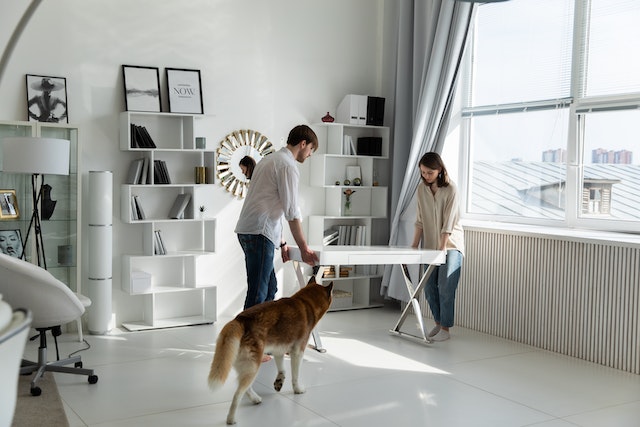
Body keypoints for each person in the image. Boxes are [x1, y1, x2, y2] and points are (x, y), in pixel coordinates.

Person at [235, 125, 320, 311]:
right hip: (259, 233)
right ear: (303, 143)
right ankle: (245, 339)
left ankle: (262, 336)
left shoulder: (269, 160)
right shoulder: (287, 166)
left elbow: (269, 203)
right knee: (258, 293)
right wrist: (304, 249)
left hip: (250, 230)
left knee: (269, 289)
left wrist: (281, 242)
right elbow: (291, 212)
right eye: (311, 149)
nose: (310, 154)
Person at [411, 152, 464, 342]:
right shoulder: (421, 190)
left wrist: (442, 248)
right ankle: (439, 323)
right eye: (423, 172)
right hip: (431, 246)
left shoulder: (451, 189)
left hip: (451, 245)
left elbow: (448, 223)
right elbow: (420, 220)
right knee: (429, 287)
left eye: (430, 173)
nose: (426, 176)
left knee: (445, 286)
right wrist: (414, 246)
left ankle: (446, 329)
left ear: (439, 170)